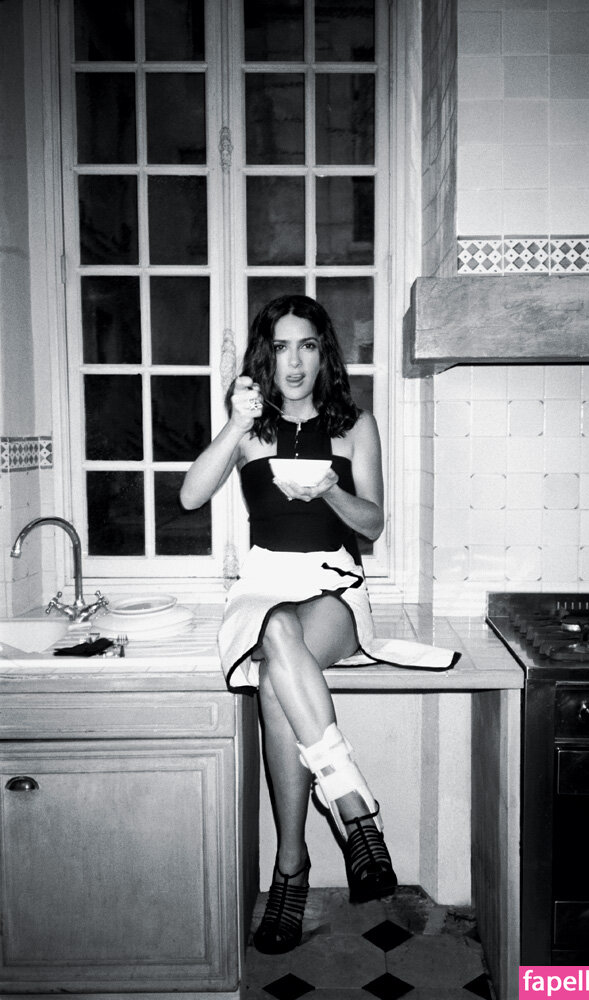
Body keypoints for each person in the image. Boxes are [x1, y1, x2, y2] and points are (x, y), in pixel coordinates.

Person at [180, 294, 398, 955]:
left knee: (279, 641)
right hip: (263, 584)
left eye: (306, 345)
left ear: (323, 353)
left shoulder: (355, 425)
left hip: (332, 585)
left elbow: (372, 525)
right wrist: (233, 423)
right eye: (280, 347)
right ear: (264, 357)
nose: (294, 361)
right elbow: (191, 495)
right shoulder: (252, 429)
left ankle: (291, 870)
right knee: (276, 650)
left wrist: (331, 490)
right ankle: (349, 813)